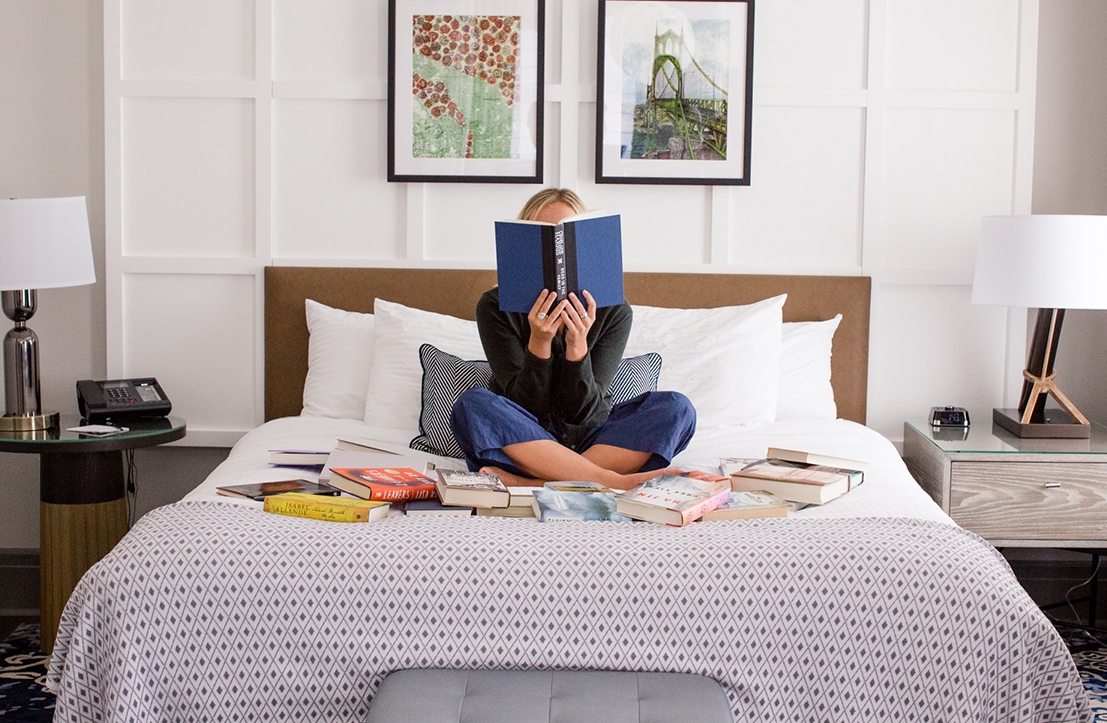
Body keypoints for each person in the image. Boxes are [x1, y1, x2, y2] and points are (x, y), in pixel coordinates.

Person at [449, 188, 696, 490]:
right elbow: (524, 407)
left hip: (595, 439)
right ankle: (611, 481)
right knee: (471, 405)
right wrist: (539, 343)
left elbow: (584, 413)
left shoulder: (614, 312)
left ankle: (536, 482)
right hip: (525, 441)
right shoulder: (495, 307)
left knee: (677, 407)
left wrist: (577, 346)